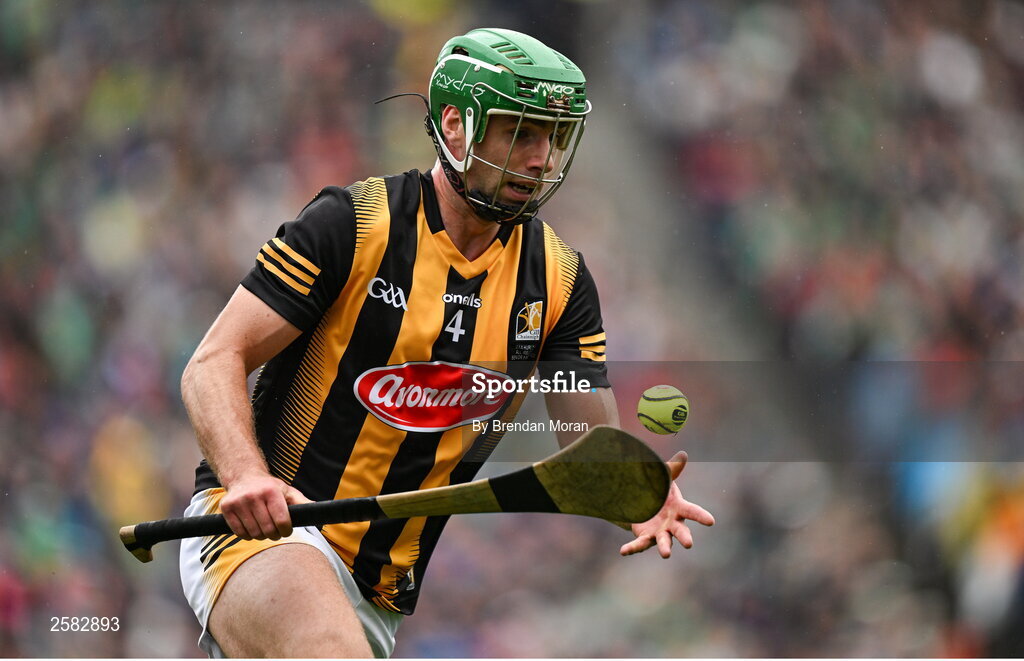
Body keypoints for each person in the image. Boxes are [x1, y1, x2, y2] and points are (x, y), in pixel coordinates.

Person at [178, 27, 714, 658]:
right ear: (457, 126)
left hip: (379, 595)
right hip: (265, 535)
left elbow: (587, 452)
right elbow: (213, 362)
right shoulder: (354, 225)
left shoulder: (560, 283)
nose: (542, 158)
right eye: (521, 133)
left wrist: (634, 488)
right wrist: (247, 478)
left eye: (554, 138)